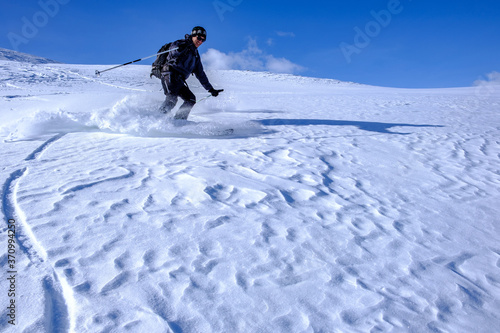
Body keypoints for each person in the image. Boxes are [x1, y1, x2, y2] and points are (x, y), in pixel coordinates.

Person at [154, 26, 223, 120]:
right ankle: (156, 119)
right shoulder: (181, 43)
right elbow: (173, 50)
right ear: (193, 36)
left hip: (179, 80)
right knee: (172, 99)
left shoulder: (195, 55)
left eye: (203, 40)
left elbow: (200, 74)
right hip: (169, 74)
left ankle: (179, 121)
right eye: (199, 38)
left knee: (190, 99)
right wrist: (181, 48)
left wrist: (211, 89)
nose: (200, 41)